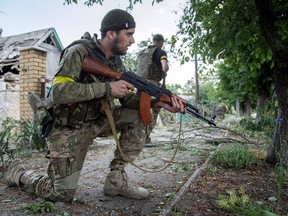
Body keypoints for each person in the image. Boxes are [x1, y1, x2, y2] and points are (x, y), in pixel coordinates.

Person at [4, 9, 184, 202]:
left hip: (97, 121)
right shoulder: (78, 52)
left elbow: (128, 100)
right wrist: (107, 88)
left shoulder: (116, 63)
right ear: (111, 33)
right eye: (129, 34)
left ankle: (116, 179)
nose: (132, 40)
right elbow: (59, 92)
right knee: (60, 194)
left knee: (139, 114)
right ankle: (20, 174)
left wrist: (158, 102)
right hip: (67, 128)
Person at [136, 34, 169, 145]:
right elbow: (164, 66)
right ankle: (145, 138)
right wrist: (164, 72)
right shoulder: (160, 52)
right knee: (154, 110)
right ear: (160, 42)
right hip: (151, 87)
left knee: (140, 111)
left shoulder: (142, 53)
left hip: (139, 84)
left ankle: (136, 136)